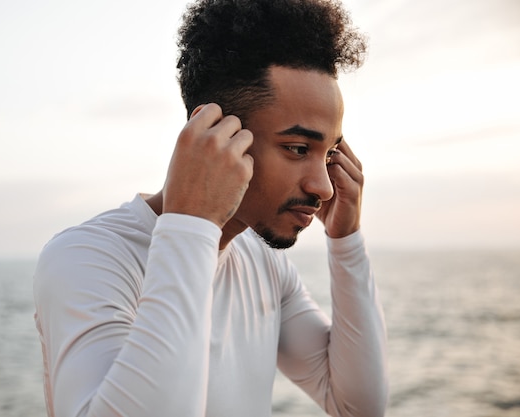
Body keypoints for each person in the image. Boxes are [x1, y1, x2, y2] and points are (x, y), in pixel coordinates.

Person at [33, 0, 388, 416]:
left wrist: (346, 242)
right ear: (213, 133)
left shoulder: (262, 262)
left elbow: (357, 406)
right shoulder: (87, 258)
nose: (324, 187)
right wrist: (191, 224)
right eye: (297, 148)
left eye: (328, 154)